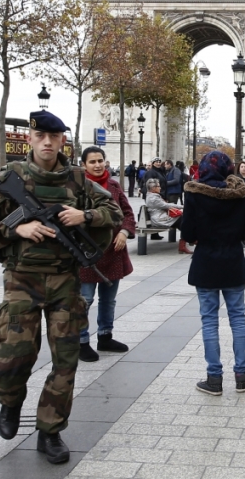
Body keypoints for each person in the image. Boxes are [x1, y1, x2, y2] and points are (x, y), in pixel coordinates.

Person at [0, 110, 123, 464]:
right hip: (20, 282)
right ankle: (10, 404)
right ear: (31, 139)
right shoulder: (10, 178)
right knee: (14, 359)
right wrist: (16, 230)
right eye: (41, 137)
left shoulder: (79, 180)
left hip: (65, 284)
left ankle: (50, 431)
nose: (48, 143)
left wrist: (84, 216)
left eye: (55, 137)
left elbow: (114, 211)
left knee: (66, 361)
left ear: (62, 141)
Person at [181, 151, 245, 395]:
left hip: (205, 264)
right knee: (238, 318)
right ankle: (242, 375)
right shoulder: (240, 194)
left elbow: (188, 234)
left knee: (209, 320)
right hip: (233, 262)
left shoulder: (194, 194)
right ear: (228, 169)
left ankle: (214, 379)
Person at [78, 146, 135, 363]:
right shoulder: (77, 188)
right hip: (87, 253)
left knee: (108, 300)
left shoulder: (114, 185)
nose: (97, 165)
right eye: (92, 162)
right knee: (86, 299)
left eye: (100, 160)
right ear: (84, 165)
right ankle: (82, 341)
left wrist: (124, 231)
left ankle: (105, 336)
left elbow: (128, 213)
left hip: (113, 251)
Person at [144, 178, 191, 254]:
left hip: (161, 217)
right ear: (153, 188)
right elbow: (167, 205)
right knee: (183, 220)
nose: (160, 188)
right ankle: (187, 241)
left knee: (183, 221)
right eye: (158, 186)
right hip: (159, 219)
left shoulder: (153, 196)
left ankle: (186, 242)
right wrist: (182, 206)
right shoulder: (153, 198)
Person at [142, 158, 167, 239]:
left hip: (160, 195)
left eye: (159, 162)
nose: (158, 163)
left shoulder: (160, 171)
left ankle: (155, 233)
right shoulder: (151, 172)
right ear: (153, 163)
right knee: (155, 213)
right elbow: (150, 185)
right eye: (156, 162)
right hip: (154, 196)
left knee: (158, 213)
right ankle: (154, 233)